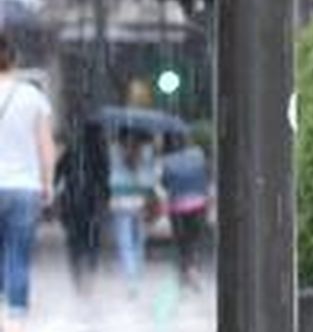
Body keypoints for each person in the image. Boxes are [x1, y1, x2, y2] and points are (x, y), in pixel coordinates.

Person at [0, 30, 54, 332]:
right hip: (24, 188)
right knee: (17, 257)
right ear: (14, 60)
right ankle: (17, 327)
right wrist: (48, 184)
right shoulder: (33, 96)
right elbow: (45, 145)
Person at [54, 117, 110, 287]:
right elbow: (105, 179)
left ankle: (77, 273)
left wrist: (55, 195)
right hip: (92, 202)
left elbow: (57, 174)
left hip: (72, 201)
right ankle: (90, 270)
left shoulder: (71, 151)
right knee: (91, 237)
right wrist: (105, 201)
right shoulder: (101, 154)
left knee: (74, 239)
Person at [157, 133, 209, 289]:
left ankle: (187, 272)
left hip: (178, 207)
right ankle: (192, 270)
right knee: (194, 239)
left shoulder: (167, 161)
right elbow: (206, 176)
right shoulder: (198, 156)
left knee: (181, 241)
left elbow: (164, 184)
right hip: (199, 204)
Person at [108, 129, 157, 291]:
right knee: (139, 241)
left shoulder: (113, 151)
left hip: (120, 201)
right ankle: (137, 274)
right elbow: (151, 179)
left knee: (125, 241)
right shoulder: (147, 152)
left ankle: (131, 278)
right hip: (141, 201)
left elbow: (109, 175)